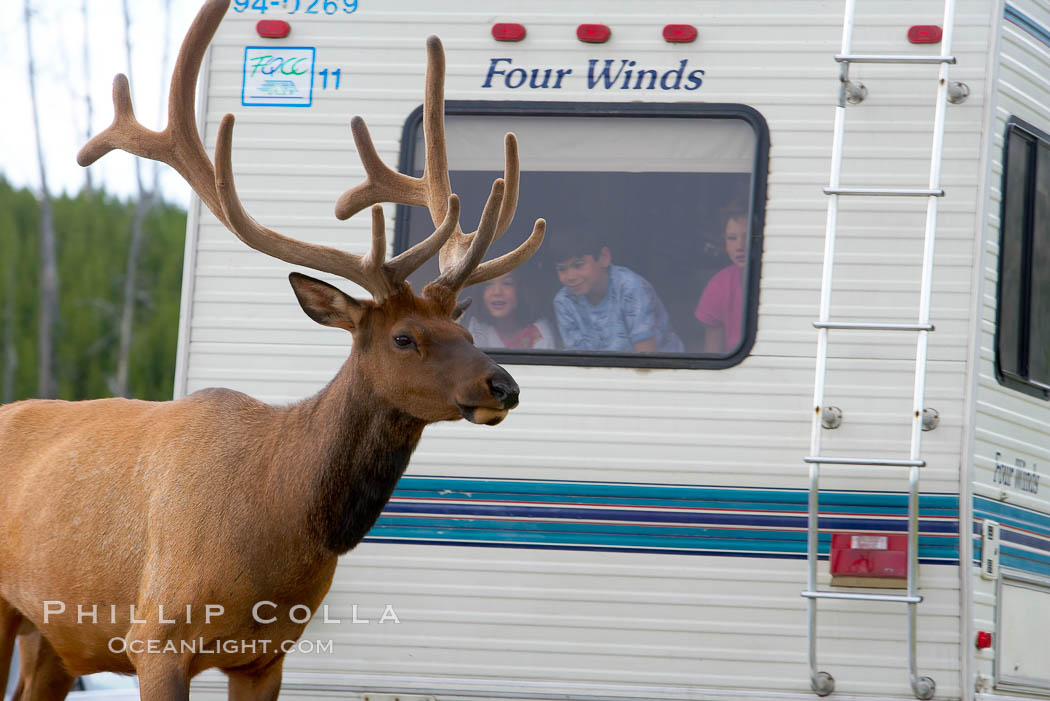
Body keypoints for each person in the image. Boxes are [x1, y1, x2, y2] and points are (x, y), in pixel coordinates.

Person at [552, 233, 684, 353]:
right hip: (602, 374)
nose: (570, 276)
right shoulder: (564, 301)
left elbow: (646, 357)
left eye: (579, 265)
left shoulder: (631, 288)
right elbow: (578, 359)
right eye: (562, 269)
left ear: (604, 258)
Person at [695, 201, 748, 354]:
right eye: (732, 238)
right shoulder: (719, 286)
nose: (740, 246)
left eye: (748, 236)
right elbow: (713, 353)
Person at [466, 272, 556, 350]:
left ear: (521, 290)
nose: (497, 292)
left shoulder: (540, 333)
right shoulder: (477, 328)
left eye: (507, 283)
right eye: (488, 284)